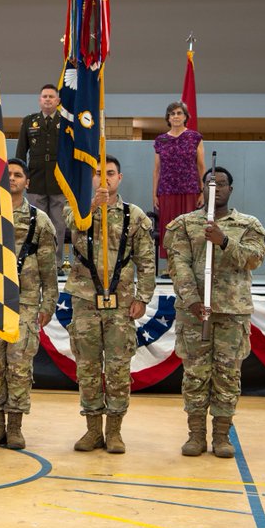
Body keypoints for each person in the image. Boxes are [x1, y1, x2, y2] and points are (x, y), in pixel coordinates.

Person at [165, 166, 265, 459]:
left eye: (221, 184)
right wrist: (191, 300)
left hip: (231, 313)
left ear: (230, 190)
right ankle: (196, 435)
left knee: (227, 376)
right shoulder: (183, 225)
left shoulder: (248, 225)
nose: (216, 189)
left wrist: (224, 240)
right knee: (195, 375)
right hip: (194, 313)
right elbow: (178, 265)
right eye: (211, 184)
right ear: (202, 188)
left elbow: (254, 259)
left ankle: (222, 435)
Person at [65, 155, 156, 454]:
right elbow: (71, 224)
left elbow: (146, 260)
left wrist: (143, 297)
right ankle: (92, 430)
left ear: (120, 178)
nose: (104, 178)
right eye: (98, 173)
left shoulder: (136, 216)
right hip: (85, 298)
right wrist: (91, 206)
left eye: (111, 173)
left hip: (121, 301)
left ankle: (114, 431)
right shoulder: (77, 209)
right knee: (88, 367)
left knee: (118, 367)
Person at [0, 159, 58, 450]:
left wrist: (49, 303)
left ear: (27, 182)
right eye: (7, 174)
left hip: (25, 304)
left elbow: (49, 267)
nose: (12, 178)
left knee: (19, 367)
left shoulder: (40, 220)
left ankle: (16, 427)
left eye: (18, 175)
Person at [16, 84, 66, 267]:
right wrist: (21, 177)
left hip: (59, 179)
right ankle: (35, 261)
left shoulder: (66, 121)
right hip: (35, 178)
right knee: (35, 224)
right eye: (44, 96)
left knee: (58, 225)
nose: (47, 99)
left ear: (58, 101)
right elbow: (21, 151)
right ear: (39, 100)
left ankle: (56, 263)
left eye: (51, 97)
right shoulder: (29, 121)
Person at [152, 101, 205, 268]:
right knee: (169, 229)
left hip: (190, 189)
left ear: (185, 117)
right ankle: (171, 266)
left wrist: (202, 192)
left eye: (179, 113)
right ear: (168, 117)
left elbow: (201, 166)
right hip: (166, 190)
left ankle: (188, 265)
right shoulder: (161, 140)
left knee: (189, 229)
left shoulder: (195, 137)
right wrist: (154, 194)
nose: (175, 116)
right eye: (172, 113)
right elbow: (157, 170)